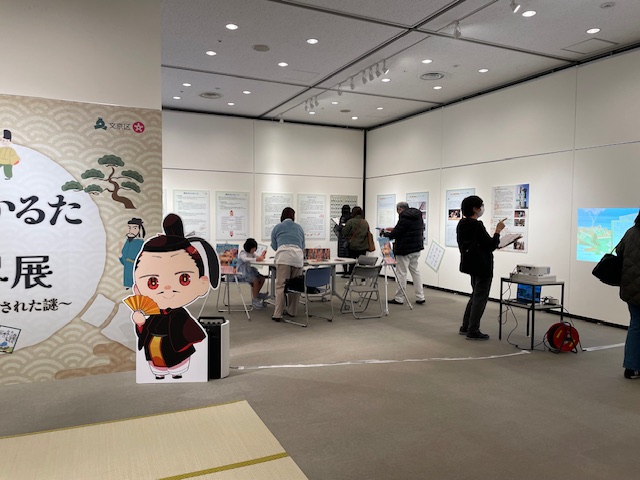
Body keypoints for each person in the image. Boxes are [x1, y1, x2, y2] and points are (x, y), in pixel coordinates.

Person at [130, 214, 220, 380]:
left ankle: (177, 371)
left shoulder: (180, 315)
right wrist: (141, 323)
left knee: (176, 360)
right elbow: (145, 331)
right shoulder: (155, 313)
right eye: (153, 282)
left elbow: (191, 332)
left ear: (202, 283)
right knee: (158, 362)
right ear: (138, 289)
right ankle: (160, 373)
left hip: (174, 349)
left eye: (183, 278)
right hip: (155, 350)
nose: (167, 288)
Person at [456, 195, 506, 340]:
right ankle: (473, 330)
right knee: (480, 298)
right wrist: (497, 231)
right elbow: (491, 245)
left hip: (471, 264)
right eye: (481, 206)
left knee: (475, 295)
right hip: (482, 265)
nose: (482, 209)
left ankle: (466, 326)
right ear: (475, 209)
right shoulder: (477, 225)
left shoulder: (462, 224)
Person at [380, 201, 426, 305]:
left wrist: (385, 233)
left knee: (401, 273)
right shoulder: (417, 216)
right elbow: (406, 230)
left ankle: (399, 298)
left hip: (404, 250)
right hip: (416, 248)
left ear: (400, 209)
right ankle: (420, 296)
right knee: (415, 272)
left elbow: (396, 233)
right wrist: (394, 230)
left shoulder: (404, 217)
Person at [615, 210, 640, 379]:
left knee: (635, 325)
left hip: (630, 289)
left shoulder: (630, 232)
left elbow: (619, 251)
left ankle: (631, 367)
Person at [270, 207, 305, 322]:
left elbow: (274, 246)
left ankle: (277, 314)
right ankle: (292, 311)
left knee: (281, 286)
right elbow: (302, 245)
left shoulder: (277, 227)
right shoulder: (299, 228)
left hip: (283, 258)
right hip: (297, 258)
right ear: (293, 216)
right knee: (295, 286)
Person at [236, 238, 269, 310]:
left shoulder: (253, 253)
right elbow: (245, 259)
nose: (254, 250)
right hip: (242, 273)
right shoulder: (243, 253)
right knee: (255, 281)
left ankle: (256, 294)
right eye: (253, 248)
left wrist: (261, 256)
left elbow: (258, 257)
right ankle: (255, 298)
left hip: (250, 271)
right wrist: (256, 259)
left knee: (262, 278)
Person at [341, 206, 370, 273]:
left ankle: (351, 277)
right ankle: (362, 277)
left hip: (353, 246)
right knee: (362, 263)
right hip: (363, 246)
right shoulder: (365, 222)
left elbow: (344, 233)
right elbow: (367, 233)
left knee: (352, 263)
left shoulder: (350, 222)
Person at [119, 218, 145, 289]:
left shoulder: (140, 243)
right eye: (129, 228)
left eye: (134, 228)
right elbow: (123, 258)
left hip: (135, 266)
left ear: (139, 229)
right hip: (127, 266)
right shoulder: (128, 242)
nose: (131, 231)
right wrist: (120, 255)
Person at [334, 204, 352, 276]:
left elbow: (337, 229)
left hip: (343, 239)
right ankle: (348, 272)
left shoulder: (343, 218)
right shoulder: (350, 218)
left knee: (344, 257)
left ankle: (346, 272)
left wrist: (340, 228)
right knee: (348, 256)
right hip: (348, 240)